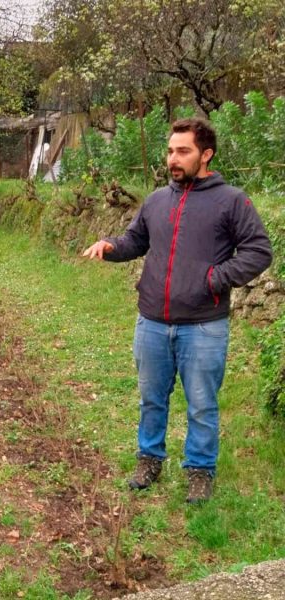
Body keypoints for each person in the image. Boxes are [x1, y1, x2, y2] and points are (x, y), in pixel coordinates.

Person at [82, 118, 272, 503]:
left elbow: (258, 251)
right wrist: (110, 246)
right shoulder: (156, 200)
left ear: (206, 155)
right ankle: (149, 458)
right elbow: (135, 241)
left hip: (203, 326)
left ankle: (200, 470)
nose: (173, 158)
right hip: (151, 321)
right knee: (152, 398)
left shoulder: (231, 200)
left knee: (202, 404)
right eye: (170, 150)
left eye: (183, 151)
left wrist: (216, 279)